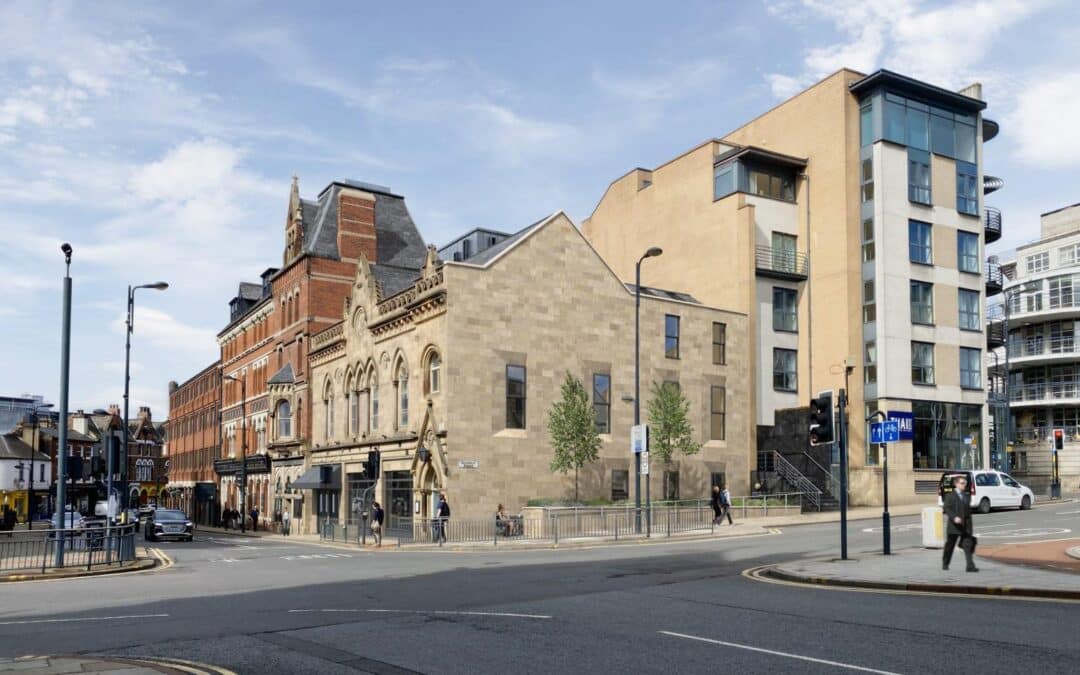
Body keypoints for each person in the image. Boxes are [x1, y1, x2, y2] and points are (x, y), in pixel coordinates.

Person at [943, 475, 979, 572]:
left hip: (965, 526)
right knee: (950, 546)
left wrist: (970, 528)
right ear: (956, 484)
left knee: (968, 545)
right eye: (962, 483)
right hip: (954, 526)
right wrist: (954, 517)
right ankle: (945, 563)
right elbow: (947, 508)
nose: (964, 485)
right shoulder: (950, 496)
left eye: (965, 483)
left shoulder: (966, 495)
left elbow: (968, 511)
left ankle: (970, 566)